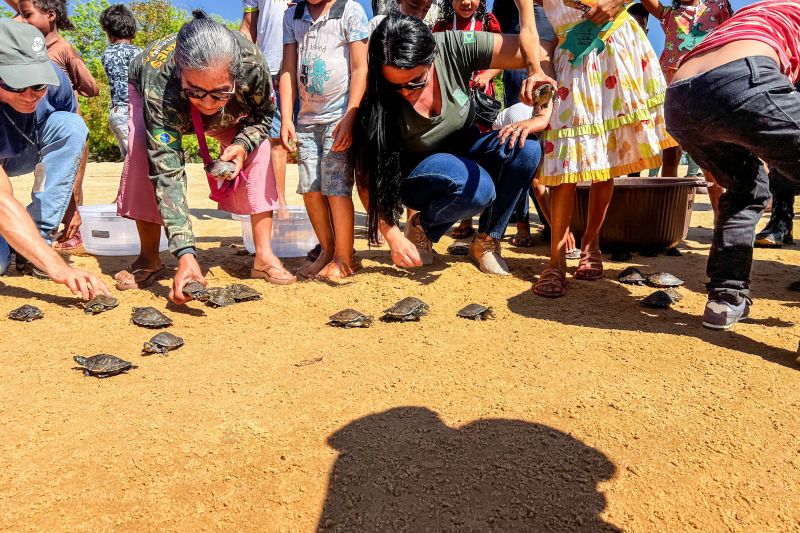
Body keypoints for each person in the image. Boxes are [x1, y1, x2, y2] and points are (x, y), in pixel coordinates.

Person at [115, 10, 295, 304]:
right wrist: (185, 254)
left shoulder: (252, 63)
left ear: (237, 75)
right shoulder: (159, 82)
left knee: (260, 150)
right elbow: (166, 170)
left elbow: (263, 117)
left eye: (219, 93)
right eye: (197, 92)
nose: (208, 103)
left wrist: (242, 144)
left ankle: (264, 256)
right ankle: (149, 257)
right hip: (163, 98)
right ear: (179, 73)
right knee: (141, 156)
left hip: (232, 111)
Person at [355, 14, 547, 276]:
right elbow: (365, 177)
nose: (405, 92)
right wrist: (393, 236)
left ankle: (487, 242)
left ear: (431, 56)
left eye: (416, 82)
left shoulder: (451, 46)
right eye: (395, 85)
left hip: (464, 143)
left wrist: (540, 91)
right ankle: (422, 227)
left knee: (526, 149)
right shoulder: (378, 96)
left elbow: (543, 49)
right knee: (478, 189)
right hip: (418, 170)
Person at [665, 0, 800, 329]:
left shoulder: (760, 11)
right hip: (742, 76)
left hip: (680, 98)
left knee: (745, 188)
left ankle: (726, 299)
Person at [533, 0, 676, 297]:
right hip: (570, 55)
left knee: (607, 152)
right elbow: (534, 30)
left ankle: (591, 243)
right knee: (565, 158)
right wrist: (540, 72)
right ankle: (556, 260)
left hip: (617, 46)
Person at [0, 19, 110, 297]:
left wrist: (72, 203)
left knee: (70, 125)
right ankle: (18, 241)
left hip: (26, 147)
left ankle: (38, 234)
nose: (29, 96)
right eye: (15, 86)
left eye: (38, 85)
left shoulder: (56, 78)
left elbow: (75, 136)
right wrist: (58, 268)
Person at [279, 0, 369, 280]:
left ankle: (345, 258)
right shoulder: (292, 15)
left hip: (338, 119)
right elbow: (287, 68)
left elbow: (360, 68)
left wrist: (350, 117)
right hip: (306, 120)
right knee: (310, 189)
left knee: (336, 188)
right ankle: (328, 251)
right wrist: (286, 118)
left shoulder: (350, 11)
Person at [16, 0, 100, 255]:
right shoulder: (23, 47)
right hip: (29, 125)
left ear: (50, 16)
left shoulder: (62, 48)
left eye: (27, 15)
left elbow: (92, 88)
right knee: (45, 181)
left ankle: (69, 231)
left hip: (62, 119)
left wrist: (66, 73)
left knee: (69, 183)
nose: (22, 20)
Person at [241, 0, 291, 208]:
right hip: (267, 69)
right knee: (276, 139)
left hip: (303, 67)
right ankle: (280, 203)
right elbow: (248, 26)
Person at [100, 4, 141, 159]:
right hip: (133, 113)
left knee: (130, 162)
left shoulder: (106, 54)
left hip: (116, 113)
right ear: (133, 31)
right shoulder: (139, 54)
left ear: (109, 34)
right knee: (138, 162)